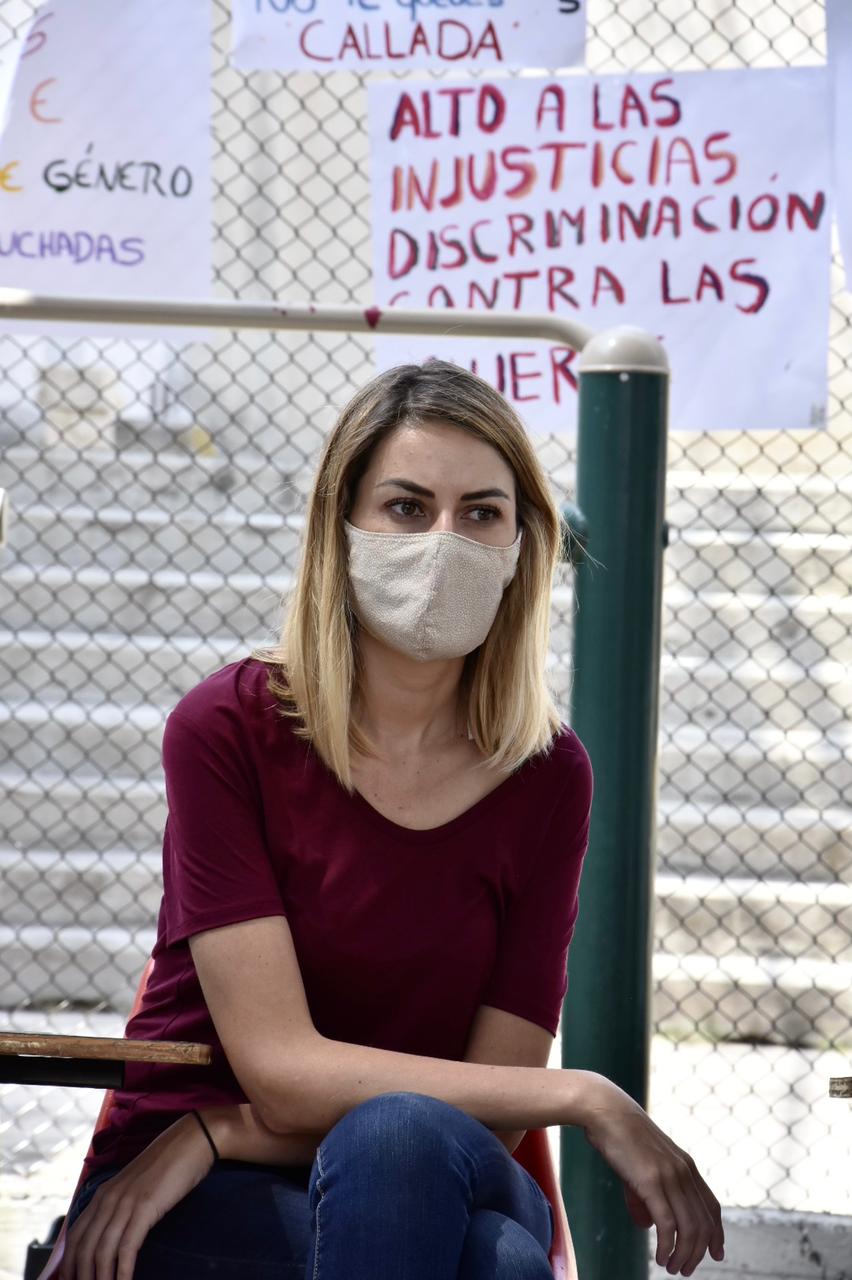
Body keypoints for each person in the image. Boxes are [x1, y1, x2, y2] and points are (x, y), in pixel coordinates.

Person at [60, 361, 724, 1280]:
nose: (445, 541)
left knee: (400, 1142)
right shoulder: (228, 729)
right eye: (408, 507)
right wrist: (587, 1096)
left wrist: (223, 1130)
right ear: (341, 529)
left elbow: (492, 1110)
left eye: (481, 513)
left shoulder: (548, 776)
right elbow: (281, 1073)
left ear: (521, 547)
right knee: (499, 1262)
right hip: (192, 1194)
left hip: (382, 1163)